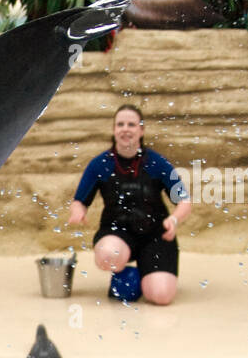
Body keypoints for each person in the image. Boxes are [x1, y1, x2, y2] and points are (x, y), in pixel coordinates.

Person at [66, 105, 190, 305]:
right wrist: (77, 212)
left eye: (131, 124)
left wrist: (174, 220)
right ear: (114, 130)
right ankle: (126, 270)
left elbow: (184, 200)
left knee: (161, 296)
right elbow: (79, 201)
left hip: (156, 234)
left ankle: (144, 272)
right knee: (108, 254)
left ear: (141, 130)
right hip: (117, 232)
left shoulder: (158, 163)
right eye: (120, 124)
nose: (125, 129)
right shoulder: (100, 164)